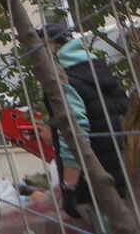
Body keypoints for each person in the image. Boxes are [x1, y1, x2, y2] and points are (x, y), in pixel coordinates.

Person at [43, 22, 133, 209]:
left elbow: (76, 134)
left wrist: (69, 188)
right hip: (128, 176)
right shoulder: (101, 73)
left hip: (97, 189)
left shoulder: (64, 80)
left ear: (51, 47)